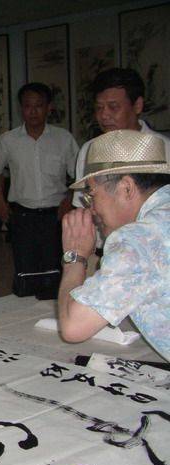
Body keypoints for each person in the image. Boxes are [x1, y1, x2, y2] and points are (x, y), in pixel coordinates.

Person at [58, 130, 170, 361]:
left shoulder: (138, 239)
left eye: (92, 195)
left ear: (126, 187)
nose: (91, 209)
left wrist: (75, 257)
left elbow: (73, 326)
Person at [0, 82, 79, 296]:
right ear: (21, 108)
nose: (33, 111)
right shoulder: (8, 140)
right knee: (25, 270)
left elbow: (79, 174)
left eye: (39, 105)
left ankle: (55, 309)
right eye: (27, 106)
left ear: (49, 107)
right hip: (22, 215)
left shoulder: (63, 138)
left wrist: (69, 200)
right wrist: (1, 204)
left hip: (56, 214)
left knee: (55, 269)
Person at [73, 68, 170, 207]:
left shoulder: (164, 148)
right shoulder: (90, 149)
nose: (104, 115)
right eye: (99, 108)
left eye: (113, 107)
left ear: (137, 106)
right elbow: (83, 205)